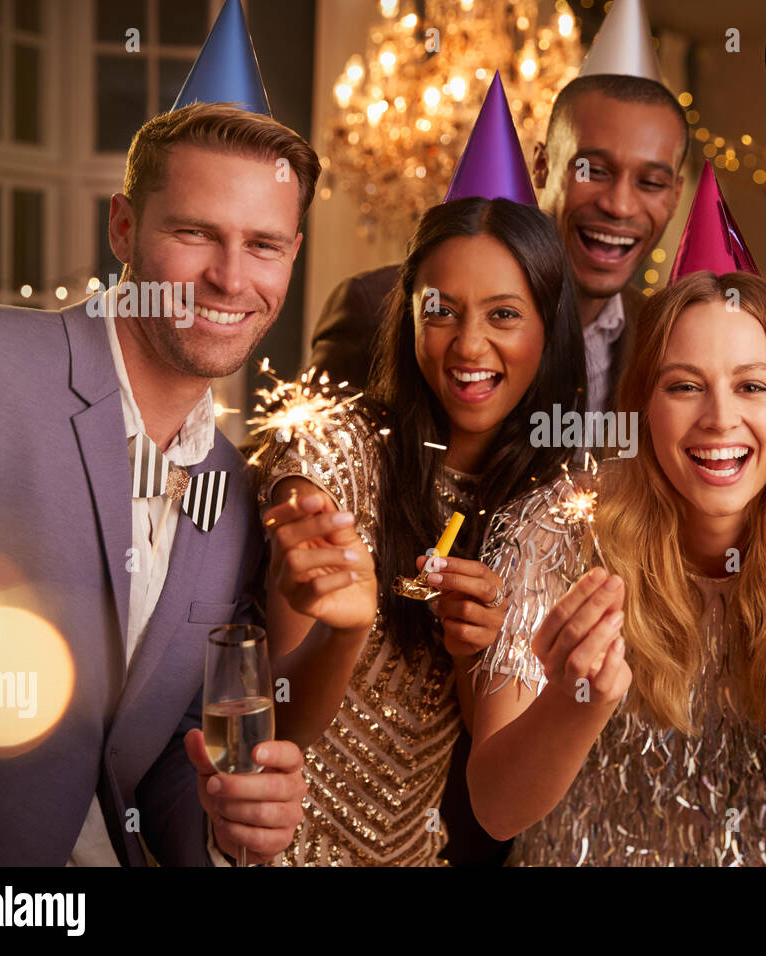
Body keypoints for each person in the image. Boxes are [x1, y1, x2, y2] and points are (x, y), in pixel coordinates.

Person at [0, 103, 320, 865]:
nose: (230, 277)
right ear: (122, 229)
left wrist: (228, 819)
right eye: (196, 232)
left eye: (264, 244)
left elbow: (160, 762)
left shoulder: (234, 492)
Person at [464, 271, 766, 865]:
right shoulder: (558, 528)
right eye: (685, 386)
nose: (719, 418)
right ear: (642, 405)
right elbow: (496, 810)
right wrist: (574, 702)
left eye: (752, 387)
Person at [251, 195, 585, 865]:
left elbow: (497, 793)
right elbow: (274, 721)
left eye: (504, 315)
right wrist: (346, 630)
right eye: (442, 311)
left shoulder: (550, 507)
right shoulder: (331, 455)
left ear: (549, 329)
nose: (469, 345)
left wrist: (470, 655)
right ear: (408, 317)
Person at [308, 72, 688, 417]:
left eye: (651, 183)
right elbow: (299, 451)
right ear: (542, 166)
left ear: (674, 194)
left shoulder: (666, 338)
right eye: (595, 171)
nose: (619, 205)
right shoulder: (372, 309)